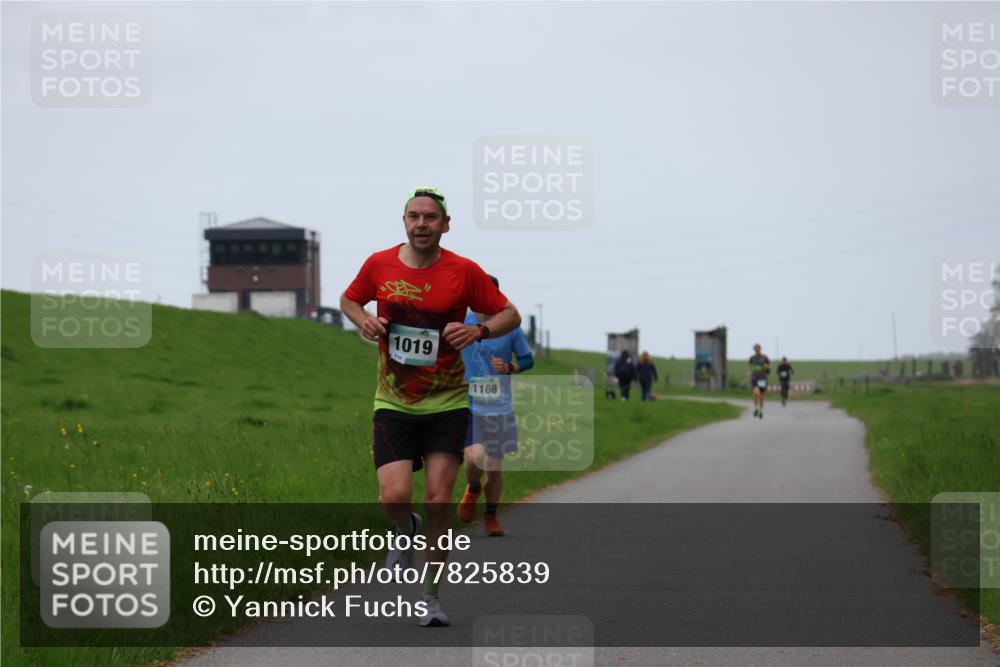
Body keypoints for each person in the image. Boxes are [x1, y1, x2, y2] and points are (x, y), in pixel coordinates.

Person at [340, 186, 522, 627]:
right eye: (414, 217)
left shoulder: (463, 270)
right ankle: (406, 532)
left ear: (445, 224)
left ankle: (430, 598)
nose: (422, 224)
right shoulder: (379, 264)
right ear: (404, 222)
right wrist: (363, 320)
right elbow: (349, 299)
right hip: (394, 400)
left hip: (448, 401)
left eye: (431, 217)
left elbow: (510, 314)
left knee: (440, 500)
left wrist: (478, 332)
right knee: (394, 496)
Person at [458, 275, 535, 537]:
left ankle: (491, 516)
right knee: (473, 456)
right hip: (469, 403)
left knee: (494, 467)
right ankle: (473, 487)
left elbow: (527, 359)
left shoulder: (509, 326)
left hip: (500, 406)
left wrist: (511, 367)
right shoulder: (461, 321)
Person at [748, 343, 771, 419]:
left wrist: (766, 366)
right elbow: (750, 366)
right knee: (756, 394)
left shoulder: (764, 357)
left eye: (758, 349)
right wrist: (749, 372)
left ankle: (760, 410)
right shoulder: (752, 358)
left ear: (760, 349)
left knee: (761, 395)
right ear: (754, 349)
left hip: (762, 378)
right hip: (755, 378)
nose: (757, 350)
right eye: (755, 349)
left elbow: (770, 366)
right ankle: (756, 408)